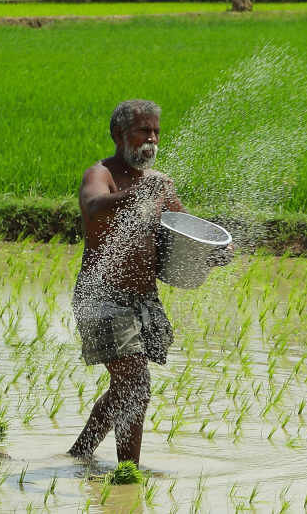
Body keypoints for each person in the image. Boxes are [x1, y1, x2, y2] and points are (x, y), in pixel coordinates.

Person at [68, 99, 230, 464]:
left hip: (144, 299)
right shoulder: (102, 175)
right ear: (118, 135)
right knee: (135, 385)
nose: (152, 139)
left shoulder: (159, 183)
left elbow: (185, 229)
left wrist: (214, 252)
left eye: (156, 131)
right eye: (144, 131)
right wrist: (132, 196)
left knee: (125, 386)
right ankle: (129, 474)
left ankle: (80, 454)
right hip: (102, 295)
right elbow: (93, 206)